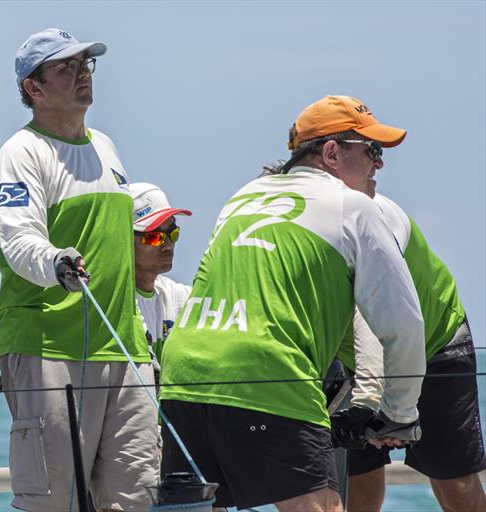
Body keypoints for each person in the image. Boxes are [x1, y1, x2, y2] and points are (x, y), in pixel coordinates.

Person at [158, 95, 426, 512]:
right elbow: (403, 326)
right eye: (371, 151)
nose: (380, 164)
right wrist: (400, 413)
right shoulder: (352, 206)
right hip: (269, 376)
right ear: (332, 153)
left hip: (183, 376)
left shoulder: (242, 196)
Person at [0, 29, 157, 511]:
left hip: (124, 344)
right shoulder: (21, 153)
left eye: (86, 64)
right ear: (33, 89)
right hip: (48, 347)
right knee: (52, 501)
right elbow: (19, 238)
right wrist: (55, 261)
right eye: (67, 67)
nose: (83, 74)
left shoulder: (105, 145)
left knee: (137, 496)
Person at [332, 198, 486, 509]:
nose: (378, 164)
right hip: (354, 361)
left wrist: (377, 407)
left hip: (436, 345)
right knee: (358, 474)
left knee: (453, 480)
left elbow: (373, 319)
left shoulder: (368, 216)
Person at [129, 182, 192, 377]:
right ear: (124, 238)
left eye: (173, 233)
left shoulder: (175, 295)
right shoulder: (114, 299)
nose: (168, 245)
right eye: (154, 237)